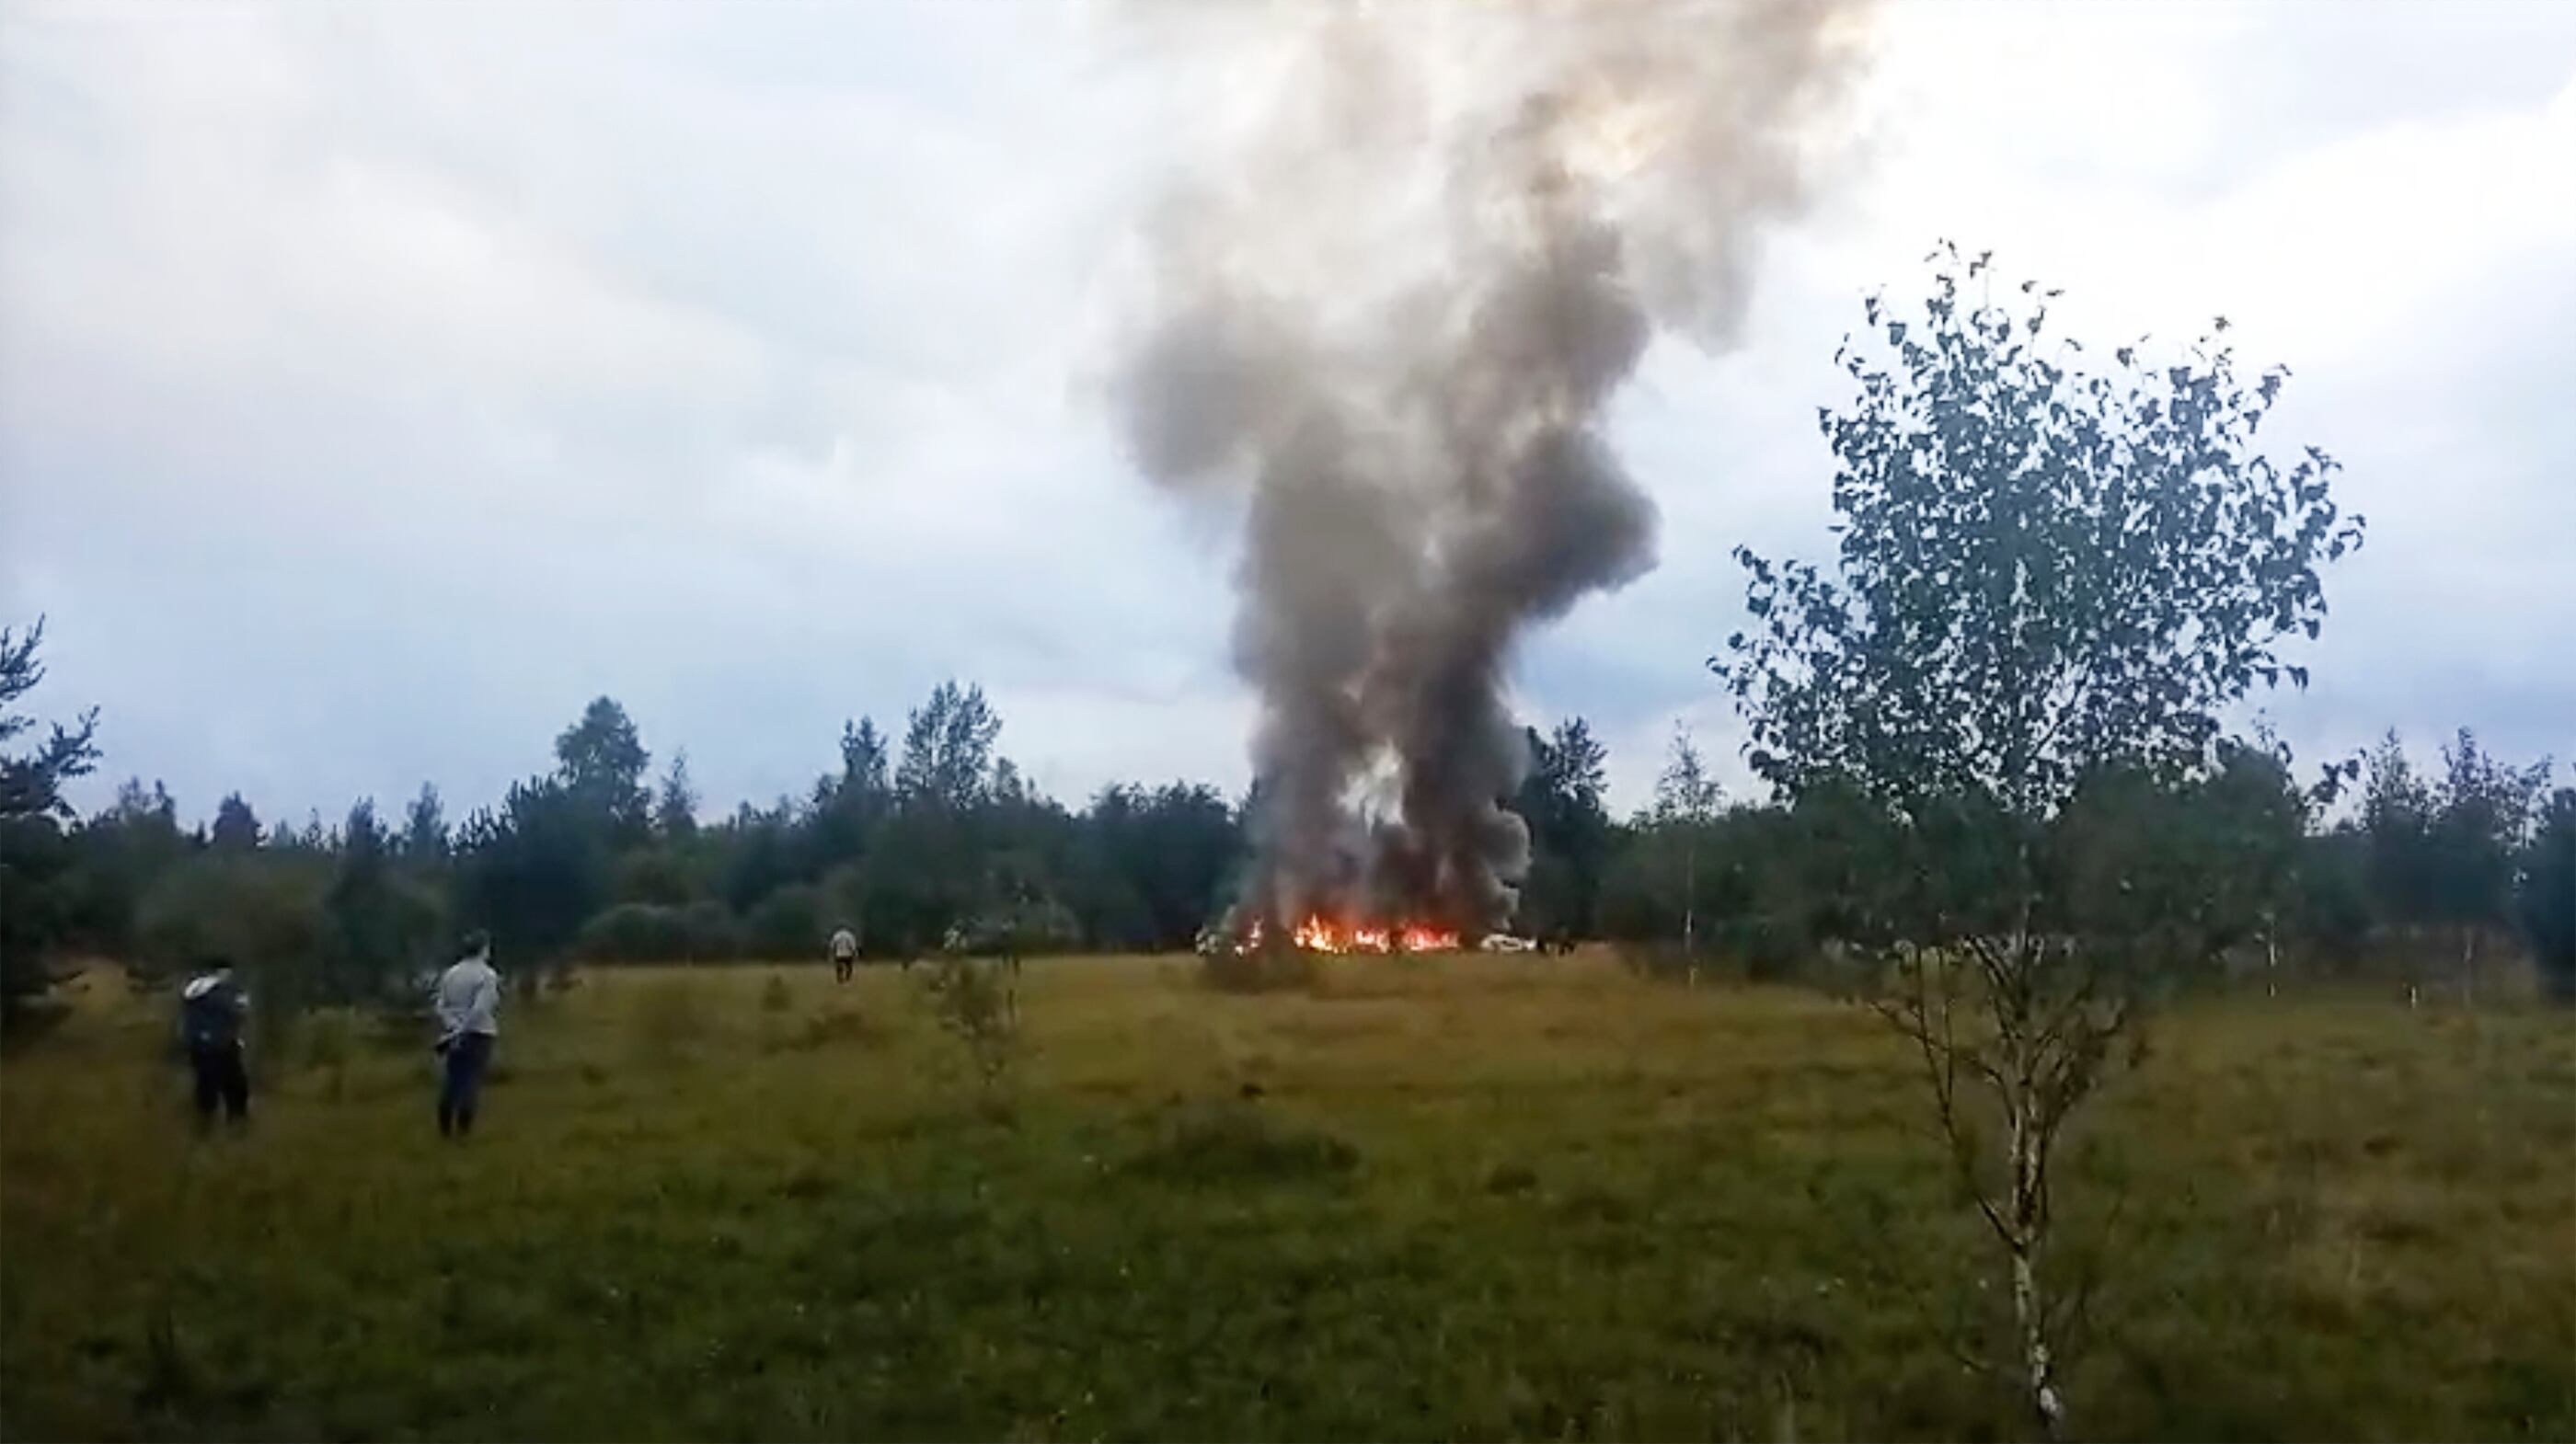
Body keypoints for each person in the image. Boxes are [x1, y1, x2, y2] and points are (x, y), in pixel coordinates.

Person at [431, 931, 502, 1139]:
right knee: (471, 1080)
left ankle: (444, 1125)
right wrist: (463, 1030)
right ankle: (463, 1130)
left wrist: (452, 1027)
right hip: (478, 1033)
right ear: (484, 949)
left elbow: (440, 1004)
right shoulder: (487, 975)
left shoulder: (451, 973)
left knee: (453, 1078)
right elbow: (480, 1009)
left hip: (451, 1032)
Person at [178, 959, 252, 1133]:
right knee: (226, 1086)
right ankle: (227, 1124)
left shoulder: (196, 990)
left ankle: (212, 1124)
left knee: (216, 1085)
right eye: (226, 972)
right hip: (216, 1045)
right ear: (220, 972)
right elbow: (237, 1011)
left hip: (210, 1044)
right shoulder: (221, 991)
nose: (228, 975)